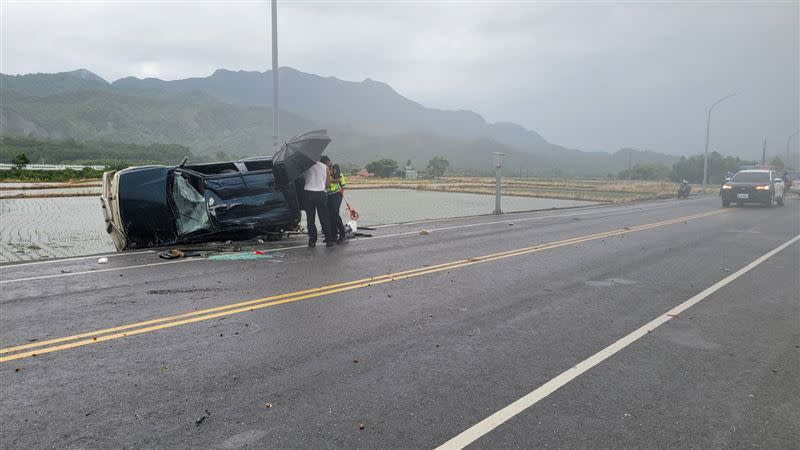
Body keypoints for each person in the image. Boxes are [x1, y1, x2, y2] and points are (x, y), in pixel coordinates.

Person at [302, 156, 334, 247]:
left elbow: (302, 178)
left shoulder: (306, 166)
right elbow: (328, 184)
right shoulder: (325, 167)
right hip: (321, 194)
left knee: (310, 218)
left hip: (308, 193)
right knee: (324, 217)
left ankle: (312, 240)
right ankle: (329, 240)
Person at [321, 156, 347, 243]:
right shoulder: (324, 169)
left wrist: (328, 180)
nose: (324, 166)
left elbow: (337, 179)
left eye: (325, 164)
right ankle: (333, 236)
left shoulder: (334, 166)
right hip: (328, 194)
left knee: (335, 214)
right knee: (329, 215)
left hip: (337, 193)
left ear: (328, 162)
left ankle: (342, 235)